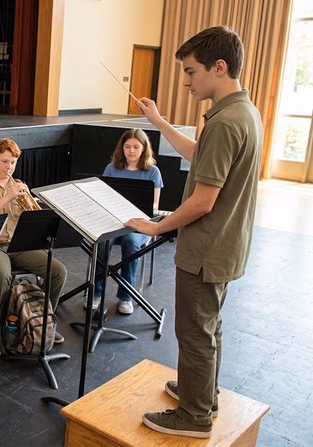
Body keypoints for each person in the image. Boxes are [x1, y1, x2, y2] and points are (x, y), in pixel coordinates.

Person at [126, 26, 263, 438]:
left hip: (206, 249)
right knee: (210, 326)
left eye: (191, 72)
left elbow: (203, 200)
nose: (185, 81)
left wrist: (155, 226)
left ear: (219, 67)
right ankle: (202, 393)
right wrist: (159, 121)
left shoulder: (224, 122)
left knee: (194, 332)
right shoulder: (241, 111)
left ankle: (195, 415)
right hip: (226, 247)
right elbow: (196, 154)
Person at [0, 138, 68, 357]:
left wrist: (34, 210)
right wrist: (7, 197)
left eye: (13, 162)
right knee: (2, 274)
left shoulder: (19, 185)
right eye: (5, 162)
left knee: (58, 271)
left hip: (18, 244)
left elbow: (33, 218)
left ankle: (43, 320)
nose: (9, 167)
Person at [88, 128, 163, 315]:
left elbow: (153, 206)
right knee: (102, 243)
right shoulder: (111, 168)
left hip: (139, 226)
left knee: (130, 242)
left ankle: (126, 296)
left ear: (144, 149)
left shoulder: (153, 172)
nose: (131, 151)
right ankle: (96, 293)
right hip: (113, 223)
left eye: (136, 147)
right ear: (122, 148)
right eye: (127, 146)